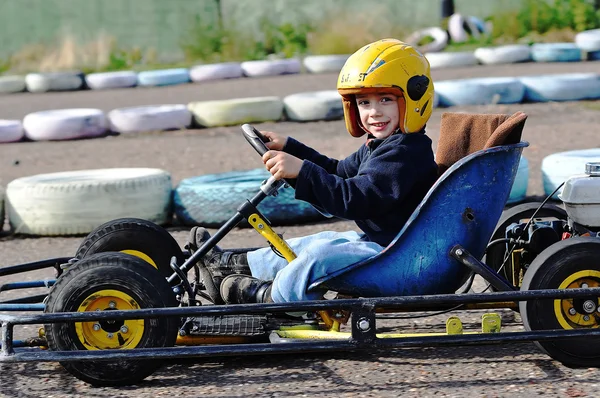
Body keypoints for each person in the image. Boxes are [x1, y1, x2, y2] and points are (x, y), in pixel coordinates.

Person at [190, 38, 439, 305]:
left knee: (321, 255)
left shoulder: (404, 153)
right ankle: (227, 267)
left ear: (414, 98)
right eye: (364, 103)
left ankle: (273, 299)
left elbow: (355, 198)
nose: (373, 112)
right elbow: (338, 172)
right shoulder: (384, 146)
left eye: (386, 99)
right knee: (317, 241)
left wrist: (302, 171)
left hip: (399, 257)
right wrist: (292, 149)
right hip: (385, 246)